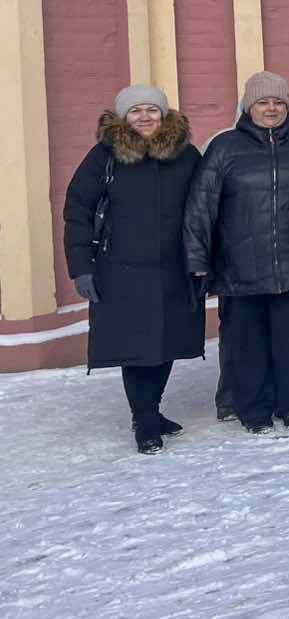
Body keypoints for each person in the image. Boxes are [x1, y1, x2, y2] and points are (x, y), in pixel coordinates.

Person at [183, 72, 289, 434]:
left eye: (278, 102)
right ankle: (254, 411)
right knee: (246, 346)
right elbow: (201, 205)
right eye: (263, 102)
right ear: (249, 106)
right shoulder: (224, 147)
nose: (271, 108)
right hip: (241, 268)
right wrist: (197, 259)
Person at [64, 85, 204, 453]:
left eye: (152, 110)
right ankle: (144, 419)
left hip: (174, 267)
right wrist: (81, 267)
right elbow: (78, 210)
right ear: (124, 117)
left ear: (164, 115)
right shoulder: (104, 156)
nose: (145, 117)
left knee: (168, 342)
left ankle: (151, 409)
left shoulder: (186, 155)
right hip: (120, 269)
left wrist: (203, 260)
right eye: (136, 111)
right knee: (136, 346)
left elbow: (204, 207)